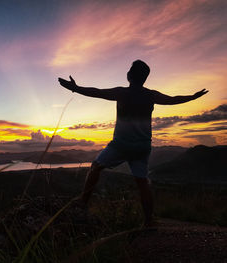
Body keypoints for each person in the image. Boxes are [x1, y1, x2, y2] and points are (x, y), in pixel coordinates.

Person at [58, 60, 208, 227]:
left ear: (129, 75)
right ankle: (149, 221)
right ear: (144, 78)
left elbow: (96, 92)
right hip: (142, 146)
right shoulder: (151, 95)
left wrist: (75, 88)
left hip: (120, 144)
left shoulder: (122, 93)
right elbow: (173, 100)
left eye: (129, 69)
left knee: (95, 167)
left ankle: (83, 203)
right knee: (142, 182)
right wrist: (193, 97)